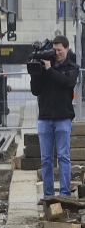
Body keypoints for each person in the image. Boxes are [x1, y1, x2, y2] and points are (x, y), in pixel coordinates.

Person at [30, 34, 79, 199]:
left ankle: (64, 193)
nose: (57, 53)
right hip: (45, 119)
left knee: (64, 157)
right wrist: (35, 73)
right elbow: (36, 90)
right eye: (54, 49)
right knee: (46, 159)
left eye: (59, 50)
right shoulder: (45, 67)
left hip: (63, 118)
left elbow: (67, 82)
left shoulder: (72, 67)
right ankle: (48, 194)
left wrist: (50, 69)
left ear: (67, 49)